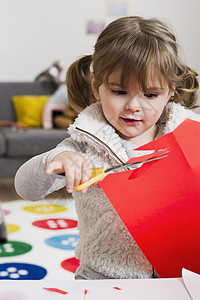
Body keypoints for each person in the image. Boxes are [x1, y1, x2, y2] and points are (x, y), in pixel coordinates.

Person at [15, 16, 199, 280]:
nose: (134, 106)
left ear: (170, 92)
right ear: (96, 87)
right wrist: (58, 160)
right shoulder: (83, 145)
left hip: (176, 280)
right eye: (120, 92)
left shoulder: (189, 136)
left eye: (150, 95)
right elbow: (25, 187)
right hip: (101, 278)